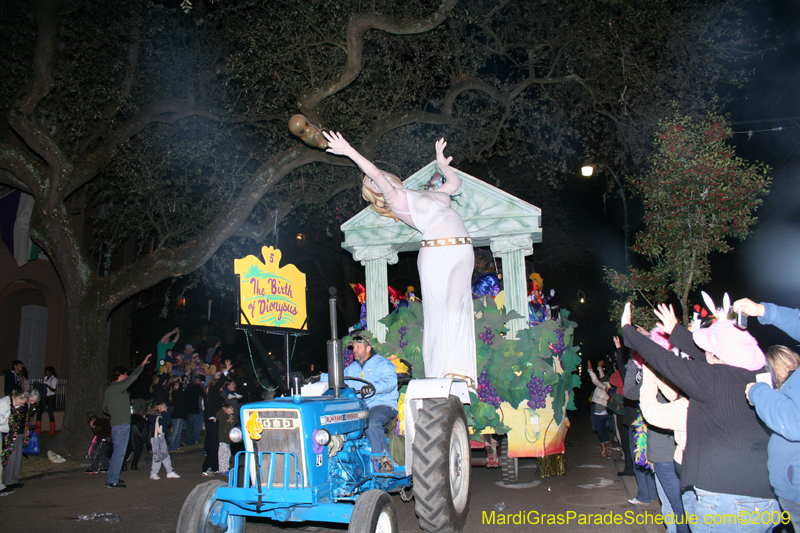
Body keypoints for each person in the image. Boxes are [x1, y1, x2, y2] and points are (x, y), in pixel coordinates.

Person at [324, 132, 477, 387]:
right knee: (446, 309)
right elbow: (374, 172)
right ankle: (446, 373)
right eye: (372, 185)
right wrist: (349, 150)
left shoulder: (420, 193)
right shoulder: (397, 199)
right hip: (436, 256)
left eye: (376, 181)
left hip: (462, 250)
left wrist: (442, 165)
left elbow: (455, 184)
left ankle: (459, 371)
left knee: (458, 306)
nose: (376, 182)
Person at [621, 302, 777, 532]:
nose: (704, 353)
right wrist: (675, 331)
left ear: (716, 355)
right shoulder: (759, 375)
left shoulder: (713, 380)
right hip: (765, 498)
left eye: (708, 348)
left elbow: (666, 362)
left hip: (727, 503)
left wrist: (628, 330)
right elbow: (718, 356)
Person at [322, 334, 399, 472]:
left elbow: (390, 382)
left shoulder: (383, 364)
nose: (355, 350)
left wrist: (373, 387)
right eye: (353, 347)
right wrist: (319, 378)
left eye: (358, 347)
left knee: (371, 422)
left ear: (368, 348)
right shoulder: (352, 368)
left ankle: (384, 460)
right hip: (361, 406)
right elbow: (339, 378)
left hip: (382, 404)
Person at [103, 353, 152, 489]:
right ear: (121, 375)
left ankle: (114, 478)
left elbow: (105, 408)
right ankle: (112, 480)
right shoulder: (119, 386)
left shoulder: (109, 390)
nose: (126, 377)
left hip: (115, 424)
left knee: (118, 453)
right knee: (119, 454)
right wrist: (142, 365)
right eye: (125, 374)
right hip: (122, 425)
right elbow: (133, 377)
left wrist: (116, 412)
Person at [0, 390, 28, 496]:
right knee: (7, 457)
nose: (21, 405)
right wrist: (8, 420)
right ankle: (5, 483)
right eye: (21, 403)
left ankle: (8, 482)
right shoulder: (4, 403)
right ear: (17, 398)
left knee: (13, 457)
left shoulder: (13, 404)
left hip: (7, 430)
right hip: (5, 431)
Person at [146, 402, 180, 480]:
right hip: (156, 438)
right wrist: (164, 414)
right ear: (159, 408)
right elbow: (163, 423)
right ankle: (156, 472)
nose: (166, 408)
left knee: (163, 455)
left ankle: (166, 471)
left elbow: (168, 423)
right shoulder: (153, 416)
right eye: (164, 407)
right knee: (159, 455)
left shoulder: (161, 415)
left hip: (160, 437)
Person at [586, 359, 612, 458]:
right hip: (603, 409)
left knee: (600, 431)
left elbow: (596, 381)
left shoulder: (606, 385)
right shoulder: (609, 381)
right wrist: (599, 368)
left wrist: (590, 370)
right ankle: (606, 450)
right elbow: (601, 378)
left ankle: (605, 451)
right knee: (603, 431)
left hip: (600, 410)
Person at [217, 403, 237, 475]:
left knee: (227, 453)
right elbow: (226, 425)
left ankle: (226, 468)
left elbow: (235, 420)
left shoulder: (232, 416)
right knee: (223, 454)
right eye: (231, 408)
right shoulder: (223, 416)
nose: (233, 409)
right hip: (223, 438)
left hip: (228, 439)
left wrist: (231, 418)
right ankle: (223, 469)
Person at [41, 366, 58, 435]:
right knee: (40, 410)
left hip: (51, 397)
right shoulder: (45, 378)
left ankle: (52, 430)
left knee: (50, 413)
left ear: (51, 372)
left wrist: (46, 385)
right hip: (45, 396)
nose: (46, 373)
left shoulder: (54, 379)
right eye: (46, 372)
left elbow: (53, 389)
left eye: (48, 372)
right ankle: (38, 429)